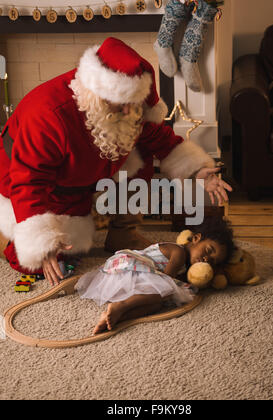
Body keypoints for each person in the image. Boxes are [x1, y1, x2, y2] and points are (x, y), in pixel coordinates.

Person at [0, 37, 232, 286]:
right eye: (121, 103)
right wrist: (40, 243)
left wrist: (197, 169)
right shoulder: (47, 115)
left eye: (133, 105)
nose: (127, 112)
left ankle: (124, 233)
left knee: (141, 152)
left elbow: (156, 136)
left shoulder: (128, 106)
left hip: (79, 181)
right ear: (98, 92)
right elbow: (28, 181)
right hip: (24, 186)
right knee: (36, 261)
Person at [76, 217, 234, 334]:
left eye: (212, 262)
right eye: (208, 251)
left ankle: (119, 315)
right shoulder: (178, 252)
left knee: (156, 304)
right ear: (196, 238)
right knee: (165, 293)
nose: (207, 259)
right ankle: (121, 305)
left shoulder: (186, 265)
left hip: (138, 276)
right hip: (130, 266)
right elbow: (167, 281)